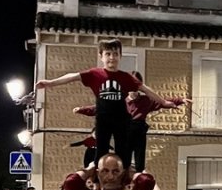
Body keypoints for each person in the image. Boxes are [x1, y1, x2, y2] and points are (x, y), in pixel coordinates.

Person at [36, 38, 168, 170]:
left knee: (123, 151)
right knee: (101, 149)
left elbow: (145, 89)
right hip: (103, 119)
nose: (112, 57)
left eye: (115, 54)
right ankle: (99, 177)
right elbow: (73, 76)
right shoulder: (95, 74)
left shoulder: (125, 77)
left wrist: (163, 102)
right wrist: (50, 83)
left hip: (121, 119)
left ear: (120, 56)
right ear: (101, 56)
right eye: (108, 54)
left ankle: (124, 177)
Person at [75, 71, 191, 172]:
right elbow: (98, 109)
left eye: (136, 88)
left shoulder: (145, 100)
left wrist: (180, 100)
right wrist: (81, 109)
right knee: (124, 158)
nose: (133, 91)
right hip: (125, 130)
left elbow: (162, 101)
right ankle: (124, 172)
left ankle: (139, 174)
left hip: (139, 129)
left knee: (139, 159)